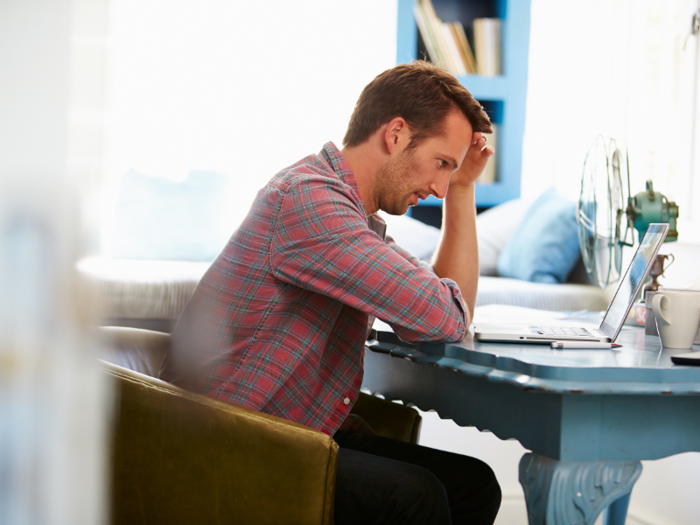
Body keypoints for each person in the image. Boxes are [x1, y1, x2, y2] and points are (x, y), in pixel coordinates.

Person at [161, 60, 501, 524]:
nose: (439, 188)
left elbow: (438, 313)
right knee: (414, 497)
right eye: (442, 164)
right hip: (229, 438)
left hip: (294, 427)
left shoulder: (352, 218)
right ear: (396, 134)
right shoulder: (310, 201)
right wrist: (442, 302)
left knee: (472, 485)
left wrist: (464, 189)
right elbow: (444, 315)